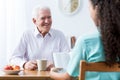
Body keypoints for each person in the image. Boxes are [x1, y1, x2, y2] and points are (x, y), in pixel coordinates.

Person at [50, 0, 120, 80]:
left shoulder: (85, 42)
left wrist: (51, 73)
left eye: (89, 8)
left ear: (96, 10)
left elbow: (68, 77)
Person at [9, 5, 70, 71]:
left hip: (54, 76)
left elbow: (68, 58)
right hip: (31, 77)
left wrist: (55, 65)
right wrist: (24, 64)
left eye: (49, 17)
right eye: (43, 18)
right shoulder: (27, 35)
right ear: (34, 21)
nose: (47, 21)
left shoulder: (59, 35)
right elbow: (13, 58)